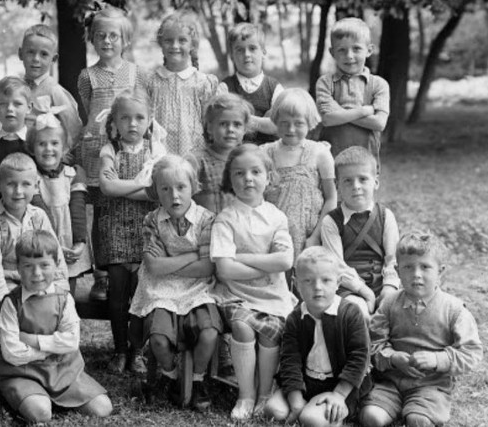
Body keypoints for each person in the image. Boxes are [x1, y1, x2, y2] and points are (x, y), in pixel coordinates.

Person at [360, 232, 483, 427]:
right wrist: (392, 358)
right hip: (390, 382)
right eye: (408, 267)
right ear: (398, 271)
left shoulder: (454, 310)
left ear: (440, 272)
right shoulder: (389, 304)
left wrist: (437, 359)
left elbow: (471, 353)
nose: (416, 274)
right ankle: (391, 406)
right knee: (371, 417)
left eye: (425, 267)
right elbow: (373, 344)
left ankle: (419, 409)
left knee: (418, 420)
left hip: (431, 385)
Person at [211, 144, 296, 420]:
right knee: (242, 326)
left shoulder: (276, 217)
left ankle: (264, 393)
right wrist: (263, 263)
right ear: (230, 179)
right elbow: (224, 269)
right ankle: (245, 395)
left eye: (255, 172)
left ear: (268, 177)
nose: (248, 178)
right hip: (236, 294)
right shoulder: (225, 219)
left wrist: (243, 257)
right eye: (239, 173)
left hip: (272, 295)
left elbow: (284, 262)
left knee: (270, 332)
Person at [130, 156, 219, 410]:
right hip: (160, 288)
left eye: (181, 187)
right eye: (165, 189)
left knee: (209, 331)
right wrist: (191, 255)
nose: (174, 196)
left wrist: (173, 258)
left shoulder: (206, 220)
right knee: (158, 338)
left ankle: (198, 378)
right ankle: (170, 375)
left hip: (197, 287)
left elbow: (207, 266)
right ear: (156, 191)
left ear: (193, 187)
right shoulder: (151, 220)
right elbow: (154, 267)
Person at [0, 230, 113, 424]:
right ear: (18, 267)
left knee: (103, 408)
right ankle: (32, 396)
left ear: (56, 264)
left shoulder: (64, 299)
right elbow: (12, 352)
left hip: (63, 370)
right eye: (28, 266)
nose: (37, 273)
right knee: (41, 413)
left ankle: (55, 395)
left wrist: (33, 341)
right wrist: (48, 351)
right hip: (24, 372)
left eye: (44, 265)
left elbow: (71, 342)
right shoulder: (11, 303)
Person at [76, 6, 148, 301]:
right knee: (101, 212)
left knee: (128, 207)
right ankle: (102, 275)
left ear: (126, 40)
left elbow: (140, 108)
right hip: (97, 148)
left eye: (114, 36)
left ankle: (134, 268)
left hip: (127, 148)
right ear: (92, 39)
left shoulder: (136, 73)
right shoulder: (87, 75)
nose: (107, 41)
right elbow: (88, 110)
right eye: (100, 36)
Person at [264, 246, 371, 427]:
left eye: (326, 280)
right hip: (307, 381)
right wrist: (296, 400)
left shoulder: (351, 314)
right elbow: (290, 360)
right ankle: (308, 406)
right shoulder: (295, 318)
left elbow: (360, 358)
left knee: (310, 419)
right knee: (275, 410)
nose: (317, 287)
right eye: (308, 281)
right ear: (296, 284)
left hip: (340, 384)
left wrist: (339, 394)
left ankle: (337, 413)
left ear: (338, 282)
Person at [97, 94, 164, 374]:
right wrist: (139, 185)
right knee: (117, 294)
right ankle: (120, 350)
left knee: (141, 293)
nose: (132, 123)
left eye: (139, 118)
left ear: (149, 121)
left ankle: (138, 351)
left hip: (146, 229)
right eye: (125, 118)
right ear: (114, 122)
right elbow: (107, 188)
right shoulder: (109, 150)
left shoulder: (156, 150)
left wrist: (129, 186)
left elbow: (155, 190)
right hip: (115, 230)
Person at [0, 152, 66, 311]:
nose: (18, 191)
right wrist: (1, 300)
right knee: (27, 309)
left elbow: (55, 255)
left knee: (52, 307)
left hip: (36, 282)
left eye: (26, 184)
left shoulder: (39, 217)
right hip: (6, 287)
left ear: (36, 186)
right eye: (11, 184)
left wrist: (60, 288)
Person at [319, 146, 399, 316]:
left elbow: (392, 259)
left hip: (383, 284)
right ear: (337, 185)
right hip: (348, 287)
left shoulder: (385, 216)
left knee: (396, 311)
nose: (356, 186)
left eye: (363, 179)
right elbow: (337, 266)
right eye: (347, 180)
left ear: (375, 182)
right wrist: (365, 292)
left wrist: (389, 287)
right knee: (357, 312)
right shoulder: (331, 221)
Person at [262, 88, 337, 263]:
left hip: (309, 235)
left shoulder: (320, 153)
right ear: (275, 121)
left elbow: (331, 198)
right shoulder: (265, 153)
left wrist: (316, 236)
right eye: (284, 122)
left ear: (310, 122)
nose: (291, 129)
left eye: (299, 123)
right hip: (273, 236)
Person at [28, 114, 90, 293]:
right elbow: (40, 211)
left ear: (64, 148)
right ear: (32, 148)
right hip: (43, 239)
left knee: (67, 290)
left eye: (54, 143)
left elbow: (78, 210)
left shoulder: (73, 174)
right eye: (42, 144)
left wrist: (79, 243)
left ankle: (67, 317)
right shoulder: (32, 177)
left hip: (69, 240)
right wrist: (53, 244)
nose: (48, 149)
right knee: (43, 289)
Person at [145, 11, 222, 156]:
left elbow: (210, 123)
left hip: (194, 154)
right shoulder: (150, 82)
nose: (175, 46)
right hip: (159, 154)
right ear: (161, 43)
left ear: (192, 44)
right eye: (168, 40)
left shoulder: (202, 82)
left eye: (182, 40)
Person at [317, 17, 389, 167]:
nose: (349, 55)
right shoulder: (325, 82)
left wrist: (341, 112)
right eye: (341, 50)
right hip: (330, 162)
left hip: (366, 162)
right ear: (332, 52)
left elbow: (379, 123)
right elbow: (328, 119)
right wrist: (364, 111)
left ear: (369, 50)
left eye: (356, 48)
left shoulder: (379, 85)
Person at [19, 24, 82, 149]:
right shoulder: (17, 87)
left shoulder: (54, 91)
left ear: (53, 59)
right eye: (30, 52)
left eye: (44, 54)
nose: (36, 59)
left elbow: (74, 130)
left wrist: (63, 154)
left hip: (45, 157)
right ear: (20, 53)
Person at [188, 92, 251, 214]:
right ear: (210, 128)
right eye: (223, 124)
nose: (230, 130)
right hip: (205, 228)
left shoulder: (248, 160)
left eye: (237, 124)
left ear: (245, 129)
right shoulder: (196, 161)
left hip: (238, 228)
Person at [221, 23, 283, 145]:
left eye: (252, 48)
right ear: (232, 56)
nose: (247, 54)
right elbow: (222, 122)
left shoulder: (275, 88)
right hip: (235, 152)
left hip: (268, 152)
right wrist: (263, 122)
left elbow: (277, 125)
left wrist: (242, 118)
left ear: (263, 53)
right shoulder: (225, 88)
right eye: (239, 50)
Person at [0, 76, 32, 208]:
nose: (10, 109)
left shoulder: (34, 142)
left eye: (17, 104)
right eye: (3, 104)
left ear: (29, 107)